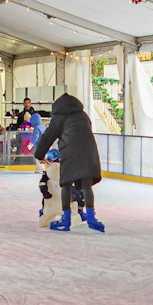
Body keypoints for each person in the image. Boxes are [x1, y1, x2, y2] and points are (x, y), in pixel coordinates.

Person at [33, 92, 103, 231]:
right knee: (86, 184)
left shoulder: (59, 117)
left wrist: (39, 154)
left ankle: (66, 219)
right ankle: (90, 216)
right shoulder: (83, 115)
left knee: (66, 184)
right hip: (88, 150)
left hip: (70, 151)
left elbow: (48, 136)